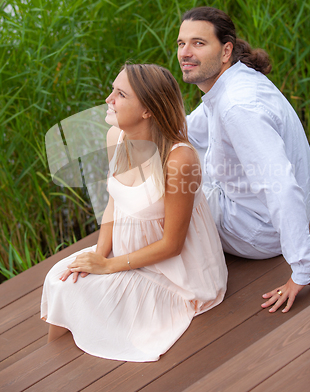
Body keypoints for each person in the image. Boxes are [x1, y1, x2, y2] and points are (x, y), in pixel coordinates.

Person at [41, 63, 228, 362]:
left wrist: (108, 267)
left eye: (120, 94)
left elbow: (172, 245)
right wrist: (99, 255)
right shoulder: (116, 137)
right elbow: (113, 204)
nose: (108, 99)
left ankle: (56, 367)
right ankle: (52, 361)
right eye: (113, 90)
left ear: (147, 110)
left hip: (176, 274)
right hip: (127, 253)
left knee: (78, 291)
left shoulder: (179, 160)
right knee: (60, 279)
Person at [177, 6, 310, 314]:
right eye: (181, 43)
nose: (185, 53)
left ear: (226, 50)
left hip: (258, 231)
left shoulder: (237, 106)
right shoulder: (233, 82)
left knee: (168, 182)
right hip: (257, 210)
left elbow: (279, 186)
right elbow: (192, 131)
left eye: (198, 43)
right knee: (176, 152)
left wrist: (302, 269)